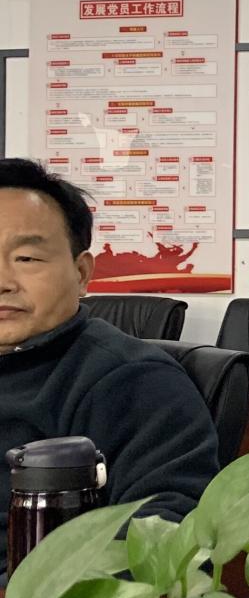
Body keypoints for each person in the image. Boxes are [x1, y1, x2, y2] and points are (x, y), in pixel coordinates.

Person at [0, 159, 217, 537]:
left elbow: (165, 535)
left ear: (82, 272)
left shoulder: (135, 382)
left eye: (26, 258)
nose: (3, 281)